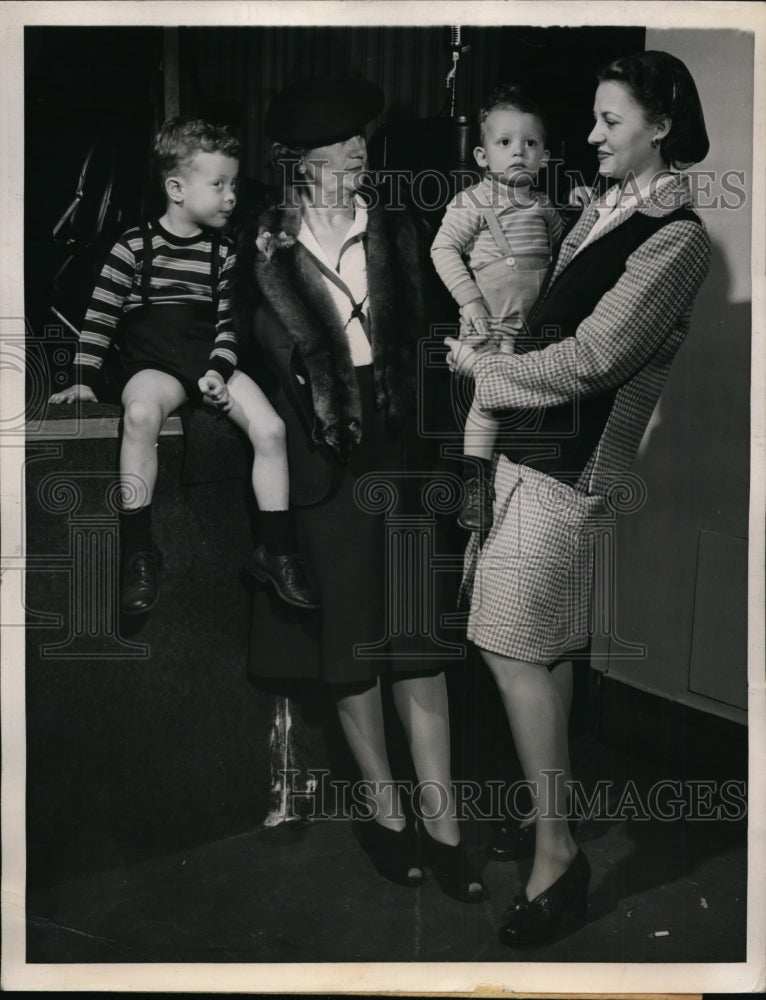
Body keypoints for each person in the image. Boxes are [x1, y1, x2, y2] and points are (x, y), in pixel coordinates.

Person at [445, 50, 711, 945]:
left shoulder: (676, 237)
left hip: (572, 465)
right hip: (528, 451)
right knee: (544, 647)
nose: (590, 136)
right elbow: (546, 327)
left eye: (611, 121)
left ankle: (558, 854)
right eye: (592, 119)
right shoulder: (600, 211)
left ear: (662, 127)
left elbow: (596, 359)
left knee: (509, 644)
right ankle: (548, 815)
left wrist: (485, 368)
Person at [232, 78, 483, 901]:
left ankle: (443, 820)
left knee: (417, 638)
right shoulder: (259, 246)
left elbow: (445, 328)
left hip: (401, 453)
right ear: (298, 164)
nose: (356, 160)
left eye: (359, 147)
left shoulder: (400, 229)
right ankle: (384, 811)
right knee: (351, 643)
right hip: (319, 461)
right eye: (340, 150)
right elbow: (225, 342)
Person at [49, 117, 319, 616]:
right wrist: (84, 381)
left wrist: (218, 372)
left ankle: (277, 551)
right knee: (140, 416)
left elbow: (228, 325)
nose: (231, 196)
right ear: (176, 188)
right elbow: (100, 318)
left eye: (233, 184)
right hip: (155, 364)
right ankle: (138, 552)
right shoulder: (134, 246)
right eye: (218, 185)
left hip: (210, 359)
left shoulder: (225, 253)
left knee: (272, 430)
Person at [431, 84, 563, 532]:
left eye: (530, 143)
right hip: (487, 326)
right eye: (505, 143)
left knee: (529, 411)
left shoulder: (545, 208)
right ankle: (475, 486)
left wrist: (585, 212)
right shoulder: (472, 202)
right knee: (486, 405)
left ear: (544, 155)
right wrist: (469, 300)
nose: (519, 152)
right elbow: (443, 248)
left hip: (532, 333)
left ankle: (518, 490)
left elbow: (567, 255)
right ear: (482, 156)